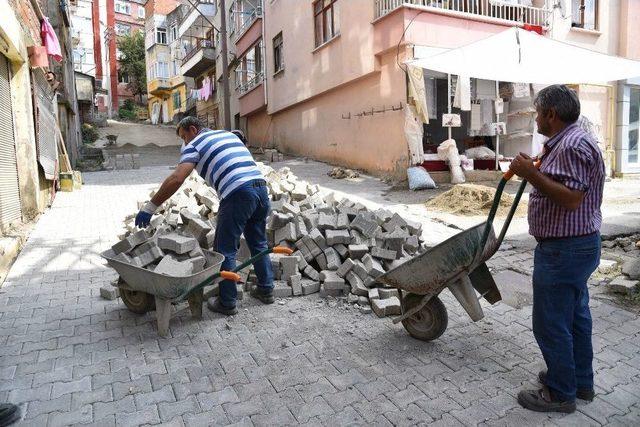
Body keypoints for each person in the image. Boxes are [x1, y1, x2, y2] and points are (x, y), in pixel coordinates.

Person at [509, 85, 605, 413]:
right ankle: (580, 382)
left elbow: (571, 198)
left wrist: (531, 174)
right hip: (574, 248)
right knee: (574, 317)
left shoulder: (573, 145)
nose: (535, 118)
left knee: (551, 321)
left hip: (565, 250)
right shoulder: (567, 142)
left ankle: (560, 392)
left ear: (551, 114)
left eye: (537, 112)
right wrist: (536, 168)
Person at [135, 117, 275, 315]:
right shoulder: (226, 134)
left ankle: (227, 302)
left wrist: (151, 207)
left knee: (225, 250)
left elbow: (177, 178)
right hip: (260, 189)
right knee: (258, 242)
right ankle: (266, 290)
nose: (184, 142)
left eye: (184, 136)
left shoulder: (194, 144)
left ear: (193, 129)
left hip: (237, 193)